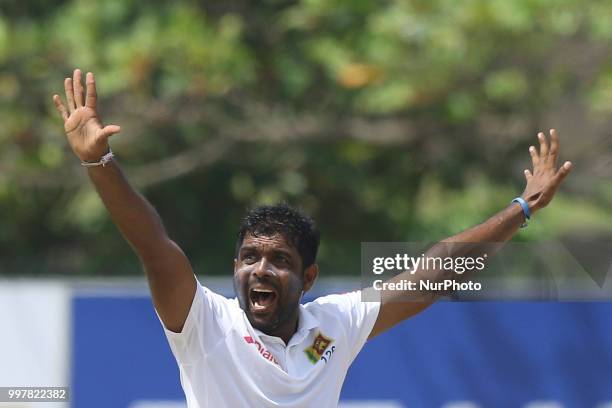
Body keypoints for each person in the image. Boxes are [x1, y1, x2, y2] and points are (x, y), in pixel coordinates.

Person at [53, 69, 573, 407]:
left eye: (279, 259)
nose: (260, 269)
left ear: (308, 278)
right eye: (250, 257)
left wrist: (522, 208)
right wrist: (98, 162)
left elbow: (432, 275)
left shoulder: (333, 327)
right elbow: (153, 244)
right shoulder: (205, 323)